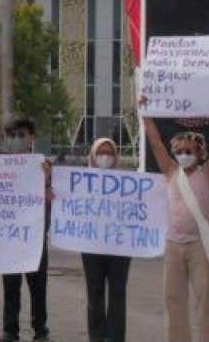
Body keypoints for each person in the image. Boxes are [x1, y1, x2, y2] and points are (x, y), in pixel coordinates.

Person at [141, 95, 209, 342]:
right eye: (179, 151)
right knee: (173, 298)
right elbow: (155, 141)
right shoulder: (171, 170)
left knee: (204, 299)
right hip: (173, 244)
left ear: (199, 153)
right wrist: (145, 113)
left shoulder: (208, 173)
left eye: (188, 151)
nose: (183, 154)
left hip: (199, 244)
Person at [0, 118, 50, 342]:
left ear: (32, 138)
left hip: (35, 237)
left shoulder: (44, 166)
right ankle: (10, 330)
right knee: (10, 286)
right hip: (9, 237)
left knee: (38, 287)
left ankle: (40, 330)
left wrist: (47, 180)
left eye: (21, 135)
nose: (17, 140)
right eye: (12, 136)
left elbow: (54, 197)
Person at [81, 137, 131, 342]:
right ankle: (97, 337)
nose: (105, 157)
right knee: (94, 292)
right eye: (101, 153)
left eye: (109, 153)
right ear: (93, 155)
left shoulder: (127, 183)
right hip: (91, 245)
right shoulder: (81, 182)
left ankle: (116, 338)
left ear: (116, 156)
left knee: (118, 293)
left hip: (120, 245)